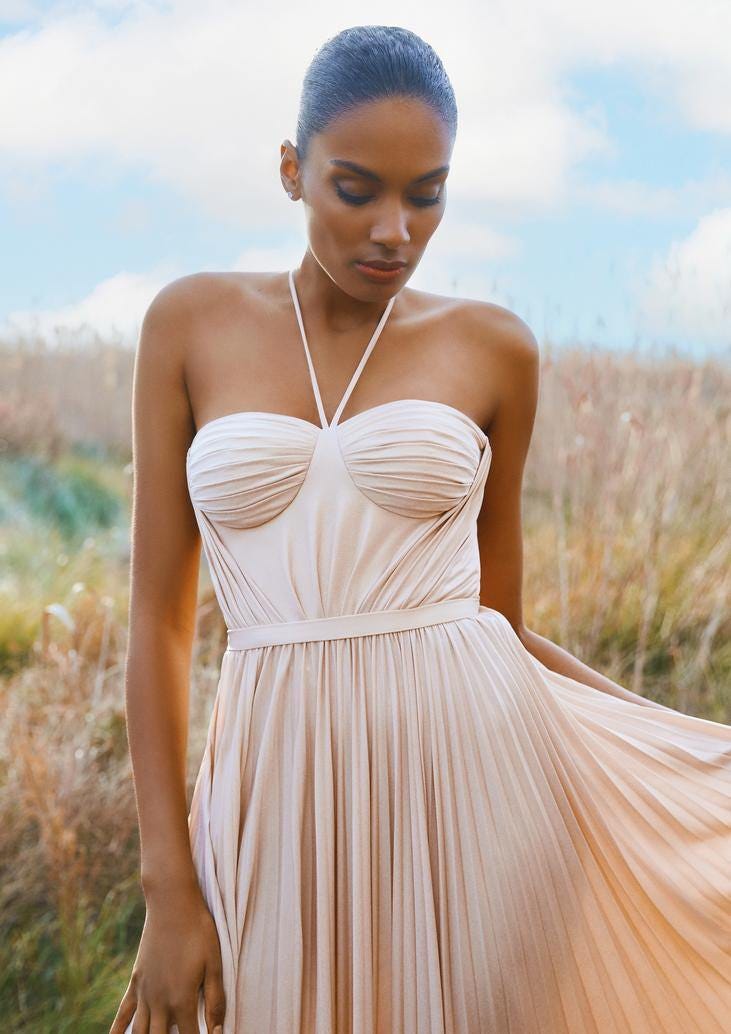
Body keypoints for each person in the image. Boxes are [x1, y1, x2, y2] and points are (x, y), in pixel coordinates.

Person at [110, 24, 731, 1034]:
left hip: (476, 790)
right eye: (356, 190)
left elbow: (500, 627)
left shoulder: (492, 347)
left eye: (426, 194)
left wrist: (693, 749)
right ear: (291, 171)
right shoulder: (187, 324)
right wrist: (167, 884)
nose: (393, 230)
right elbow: (159, 624)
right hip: (273, 787)